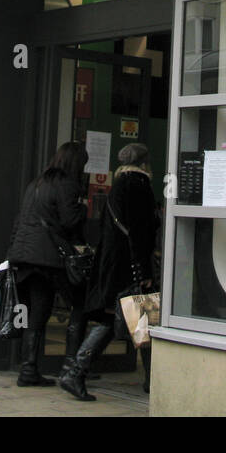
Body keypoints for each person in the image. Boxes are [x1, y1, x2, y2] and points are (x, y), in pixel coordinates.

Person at [61, 142, 159, 401]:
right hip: (131, 265)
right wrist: (145, 267)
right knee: (138, 317)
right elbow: (142, 232)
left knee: (136, 318)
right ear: (144, 163)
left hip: (113, 264)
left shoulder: (118, 185)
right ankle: (76, 372)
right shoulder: (139, 186)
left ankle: (151, 379)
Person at [4, 141, 88, 388]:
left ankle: (29, 368)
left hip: (23, 254)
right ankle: (72, 366)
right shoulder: (67, 185)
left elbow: (21, 220)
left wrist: (12, 252)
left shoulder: (37, 183)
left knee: (37, 312)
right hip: (47, 257)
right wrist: (84, 209)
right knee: (80, 304)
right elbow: (70, 220)